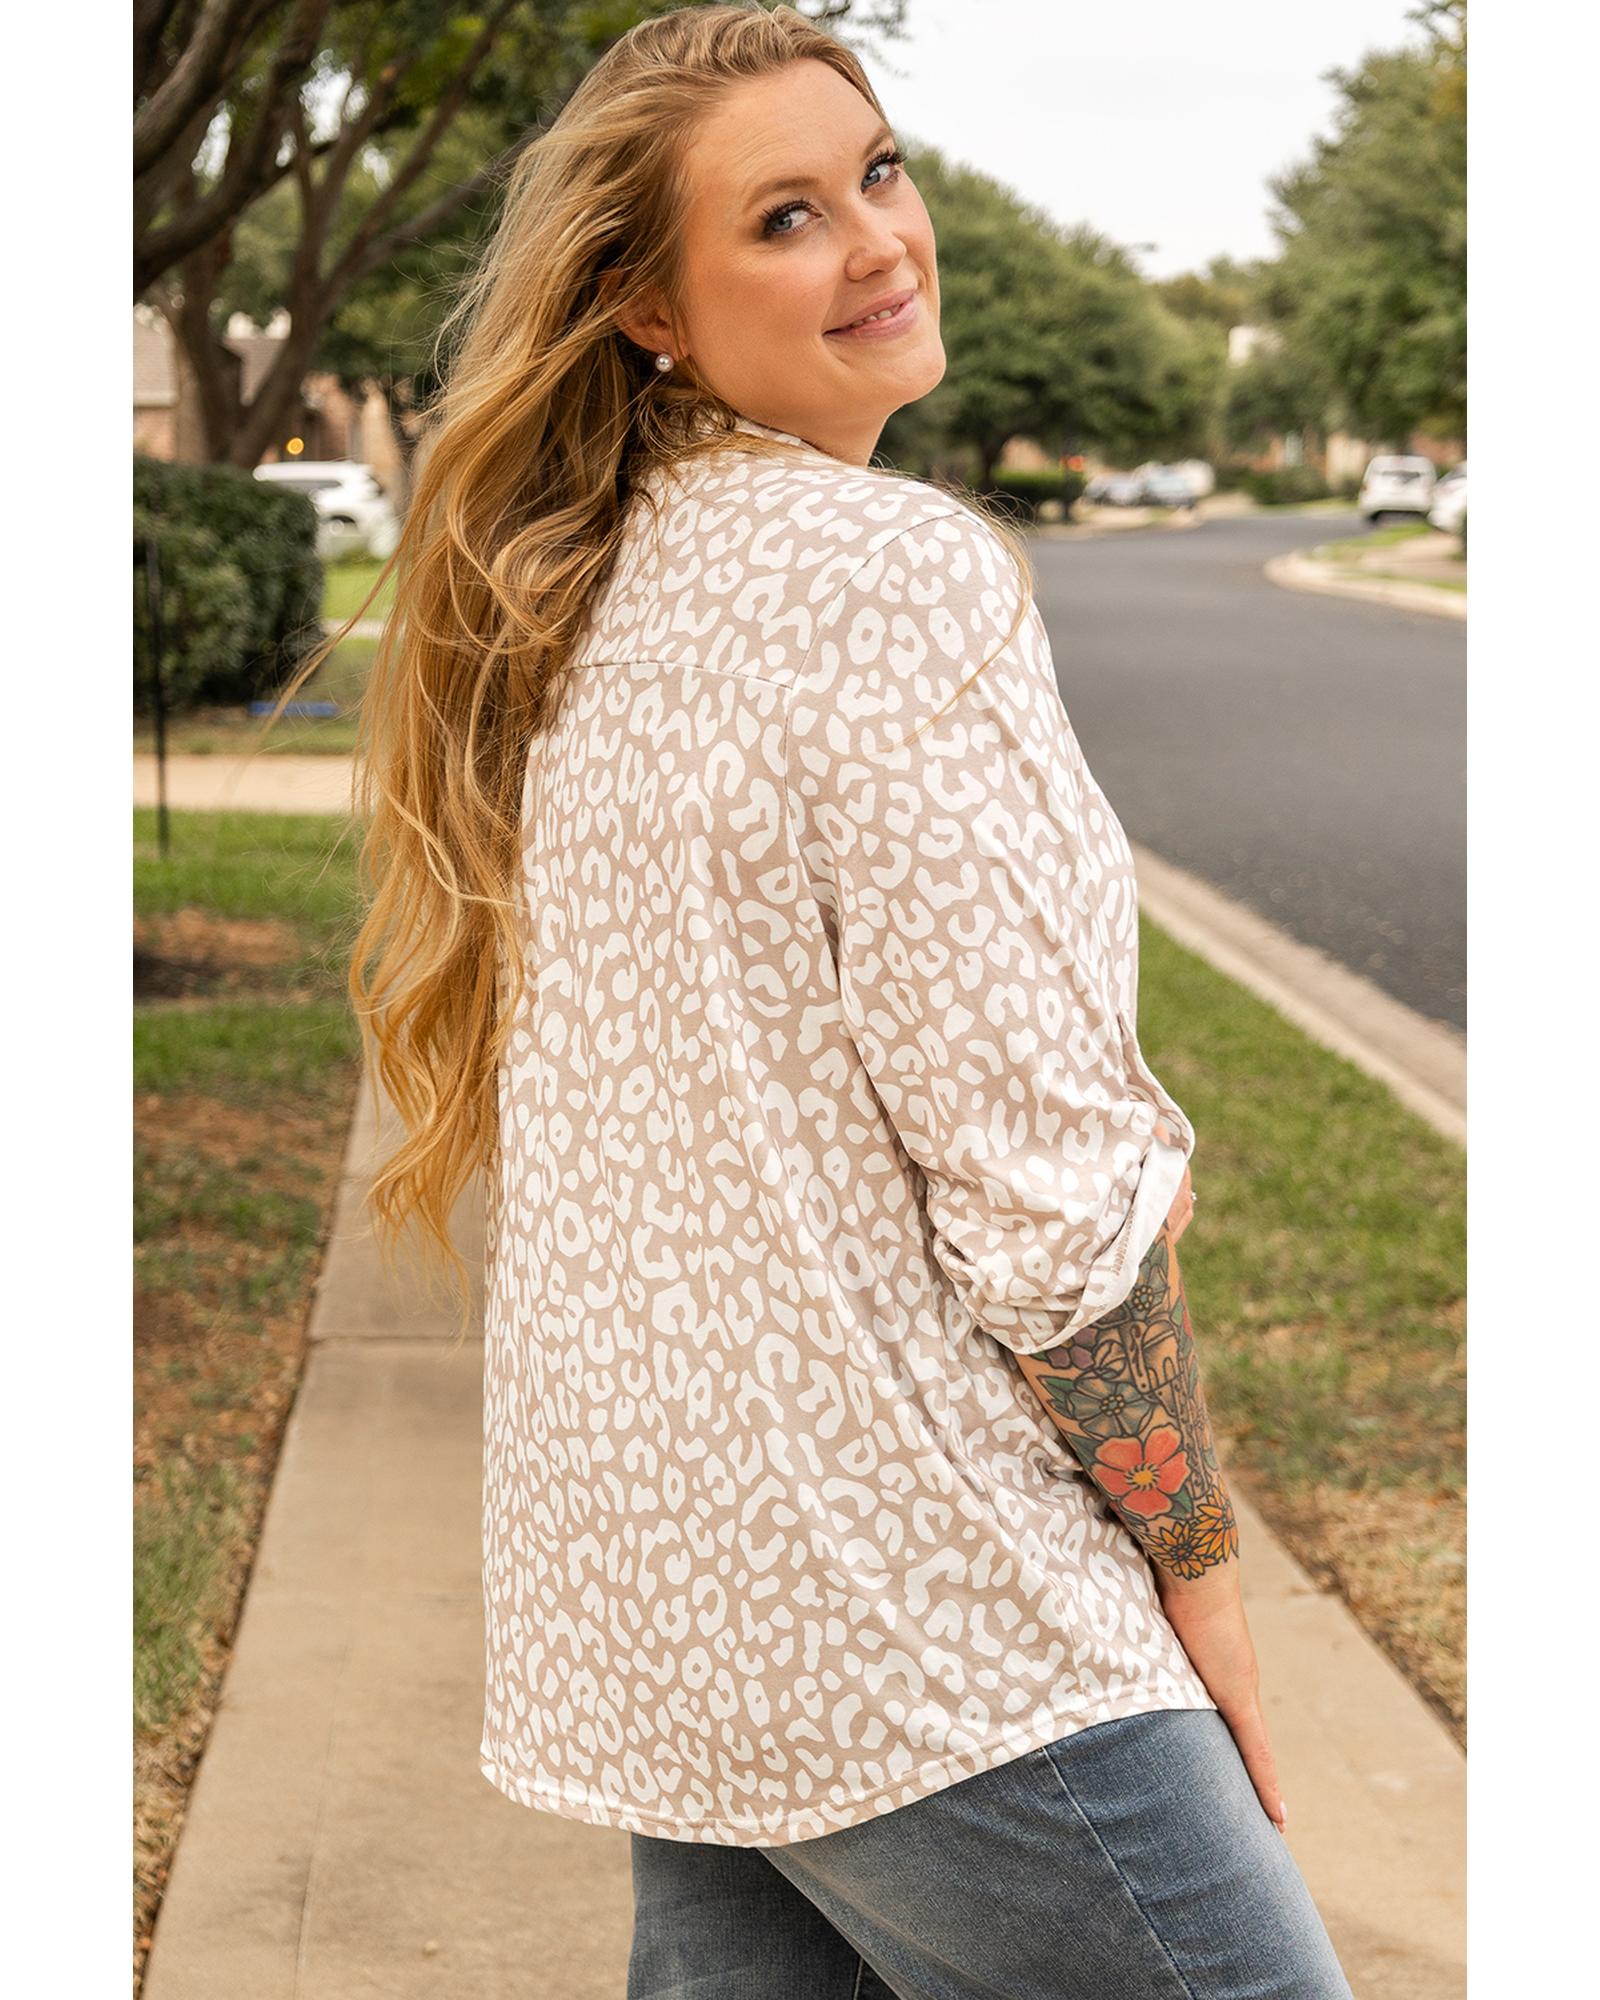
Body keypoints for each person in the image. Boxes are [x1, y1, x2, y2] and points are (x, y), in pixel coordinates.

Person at [329, 5, 1357, 1995]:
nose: (878, 240)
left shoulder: (587, 589)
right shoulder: (891, 577)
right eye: (784, 217)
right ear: (645, 306)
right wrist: (1200, 1575)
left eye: (875, 172)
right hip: (921, 1620)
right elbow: (1045, 1200)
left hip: (679, 1593)